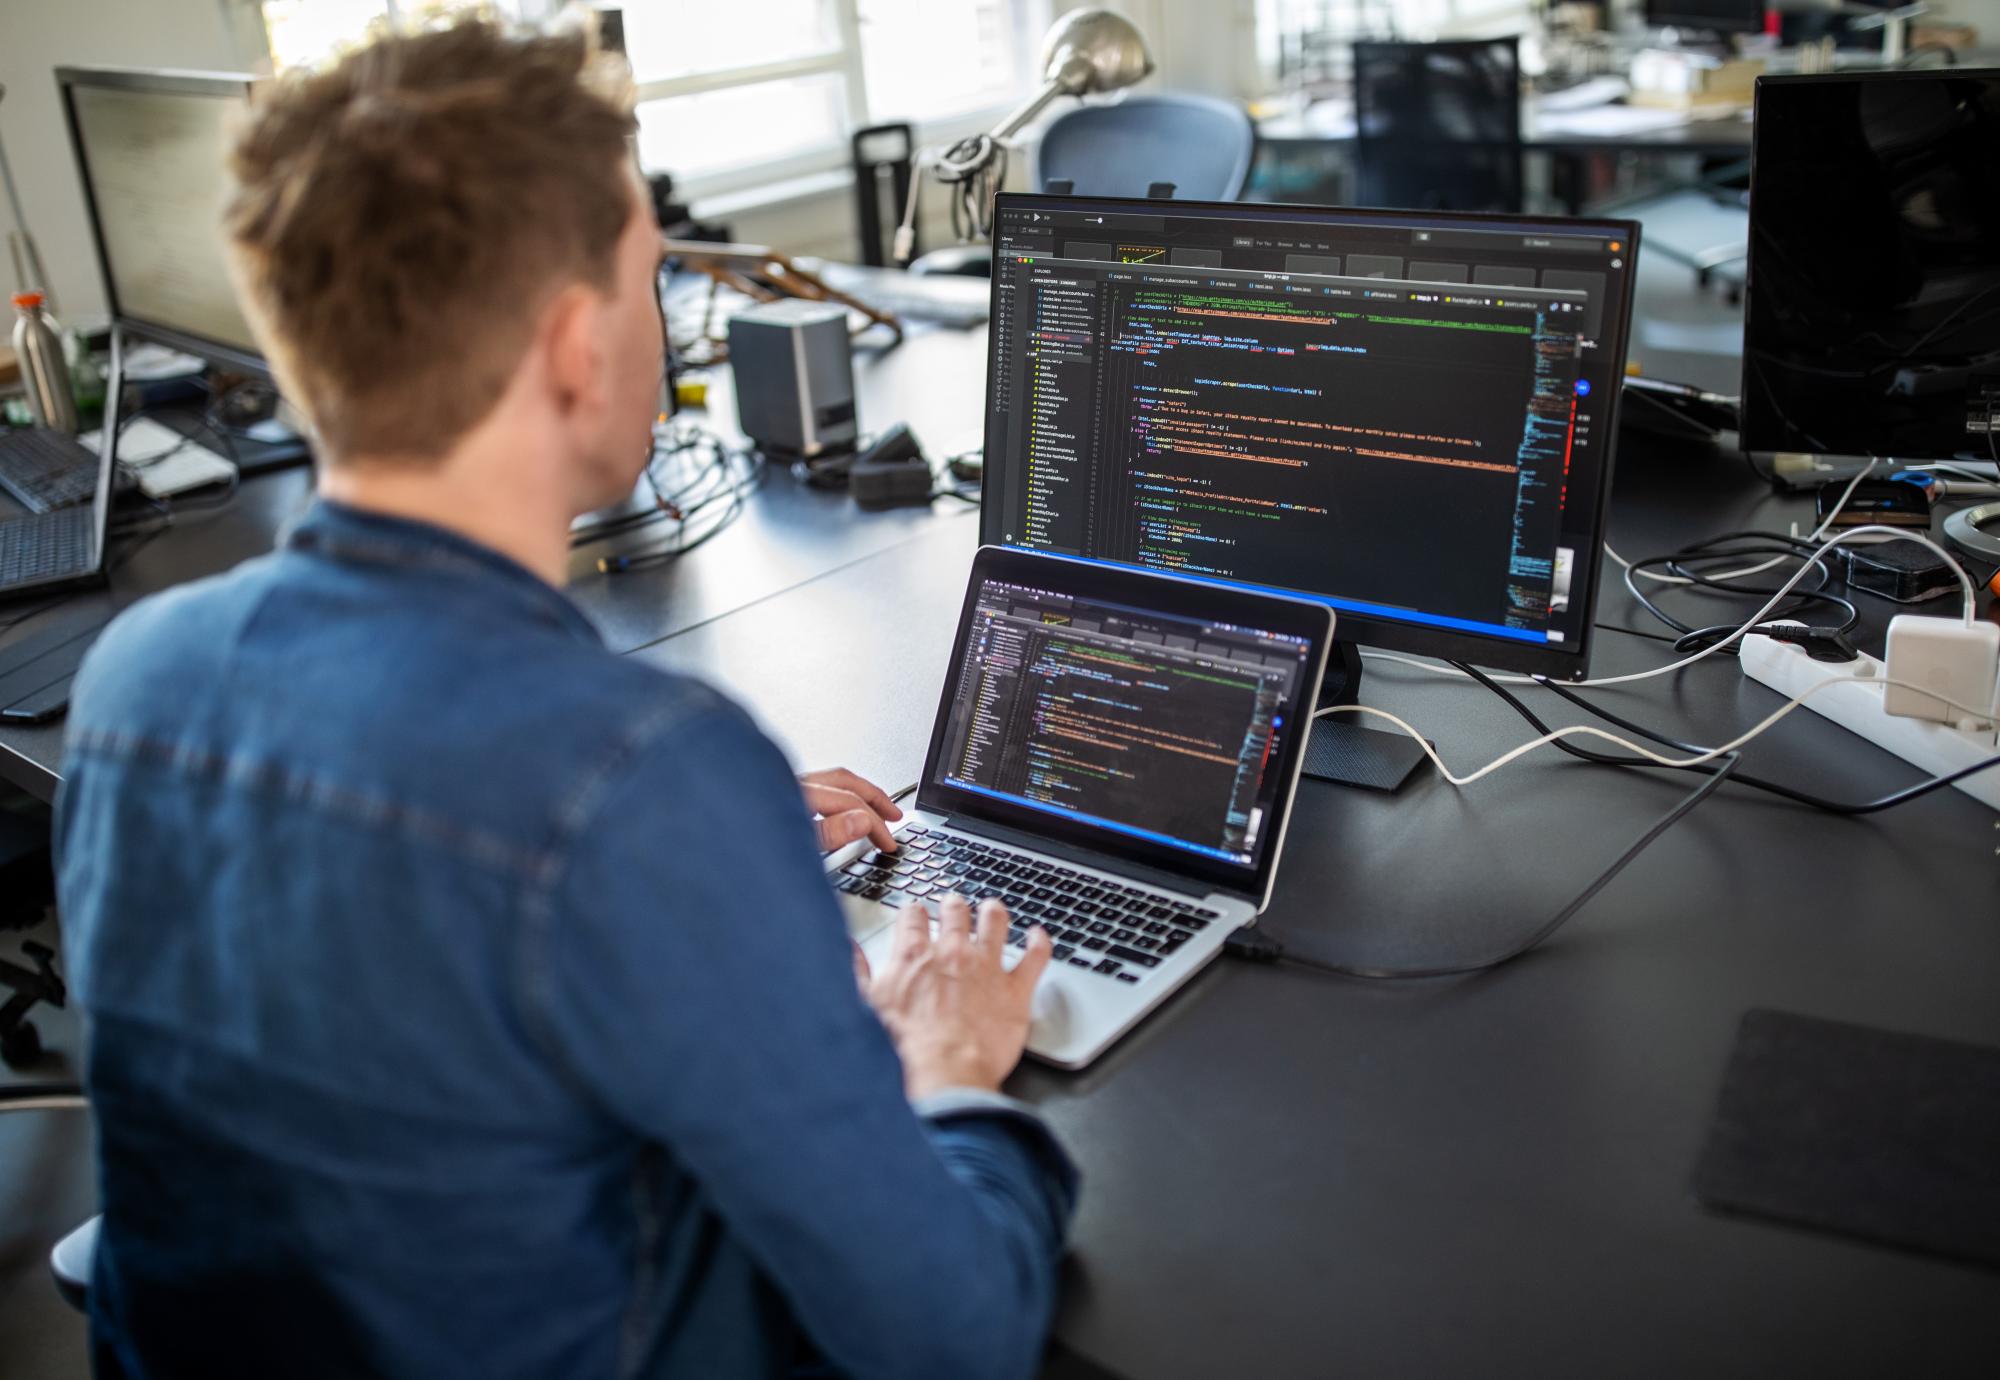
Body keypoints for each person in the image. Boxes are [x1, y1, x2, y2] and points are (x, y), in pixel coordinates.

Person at [54, 16, 1075, 1380]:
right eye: (651, 275)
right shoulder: (639, 777)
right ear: (573, 344)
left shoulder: (133, 679)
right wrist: (951, 1073)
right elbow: (955, 1336)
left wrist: (695, 860)